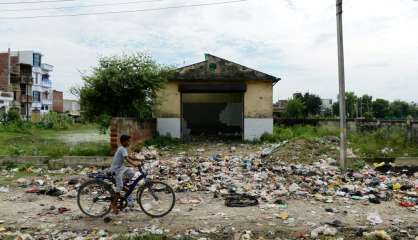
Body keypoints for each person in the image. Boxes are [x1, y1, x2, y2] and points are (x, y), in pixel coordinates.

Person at [110, 134, 140, 214]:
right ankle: (113, 205)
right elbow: (127, 159)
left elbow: (129, 157)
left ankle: (124, 184)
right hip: (116, 170)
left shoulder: (123, 148)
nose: (129, 142)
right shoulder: (122, 149)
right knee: (119, 187)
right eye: (128, 141)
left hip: (121, 168)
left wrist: (140, 159)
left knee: (131, 173)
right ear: (123, 142)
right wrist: (135, 164)